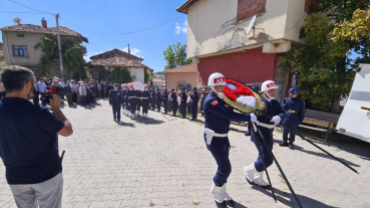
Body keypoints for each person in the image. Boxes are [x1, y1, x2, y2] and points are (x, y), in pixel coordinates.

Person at [0, 65, 73, 208]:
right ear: (28, 84)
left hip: (16, 177)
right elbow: (67, 130)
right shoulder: (38, 112)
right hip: (46, 176)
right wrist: (57, 110)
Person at [203, 72, 254, 207]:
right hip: (214, 139)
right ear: (212, 86)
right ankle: (215, 191)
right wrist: (248, 117)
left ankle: (222, 191)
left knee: (223, 167)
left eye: (223, 86)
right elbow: (228, 114)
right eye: (219, 86)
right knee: (225, 168)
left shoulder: (221, 98)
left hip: (223, 138)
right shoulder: (211, 101)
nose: (222, 88)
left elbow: (233, 106)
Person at [243, 80, 285, 189]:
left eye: (274, 90)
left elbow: (282, 112)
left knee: (262, 156)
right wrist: (251, 114)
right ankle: (248, 170)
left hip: (269, 132)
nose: (273, 92)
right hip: (259, 132)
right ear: (265, 91)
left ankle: (258, 178)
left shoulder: (274, 102)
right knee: (267, 159)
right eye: (271, 90)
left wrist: (280, 117)